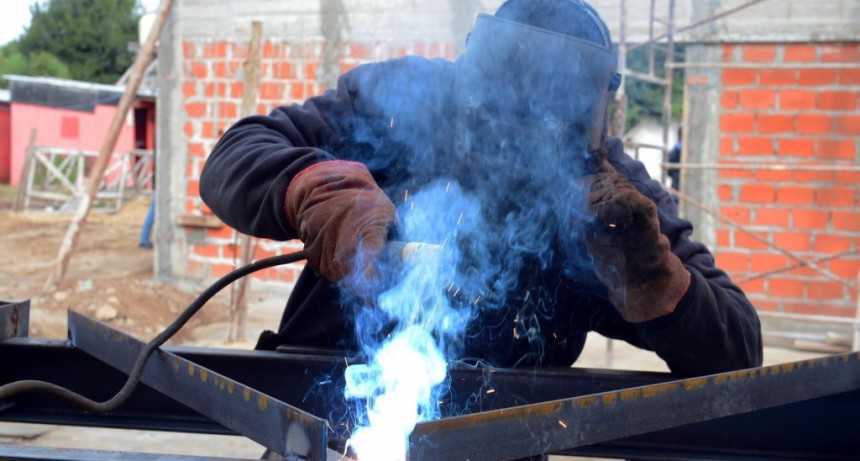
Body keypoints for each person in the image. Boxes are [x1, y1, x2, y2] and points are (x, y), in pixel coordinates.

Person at [200, 0, 762, 377]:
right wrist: (321, 194)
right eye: (493, 117)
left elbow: (739, 349)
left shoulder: (609, 201)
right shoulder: (403, 103)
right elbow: (237, 154)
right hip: (328, 411)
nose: (507, 148)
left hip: (495, 439)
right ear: (469, 74)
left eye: (535, 134)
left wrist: (652, 277)